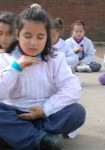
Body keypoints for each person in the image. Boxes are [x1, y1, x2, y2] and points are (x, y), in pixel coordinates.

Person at [0, 4, 86, 150]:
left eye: (40, 37)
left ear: (47, 37)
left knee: (77, 112)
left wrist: (46, 109)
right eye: (27, 36)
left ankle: (19, 136)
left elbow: (72, 88)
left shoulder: (56, 59)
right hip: (14, 114)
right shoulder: (5, 59)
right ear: (17, 34)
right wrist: (15, 68)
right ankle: (42, 140)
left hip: (46, 115)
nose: (33, 43)